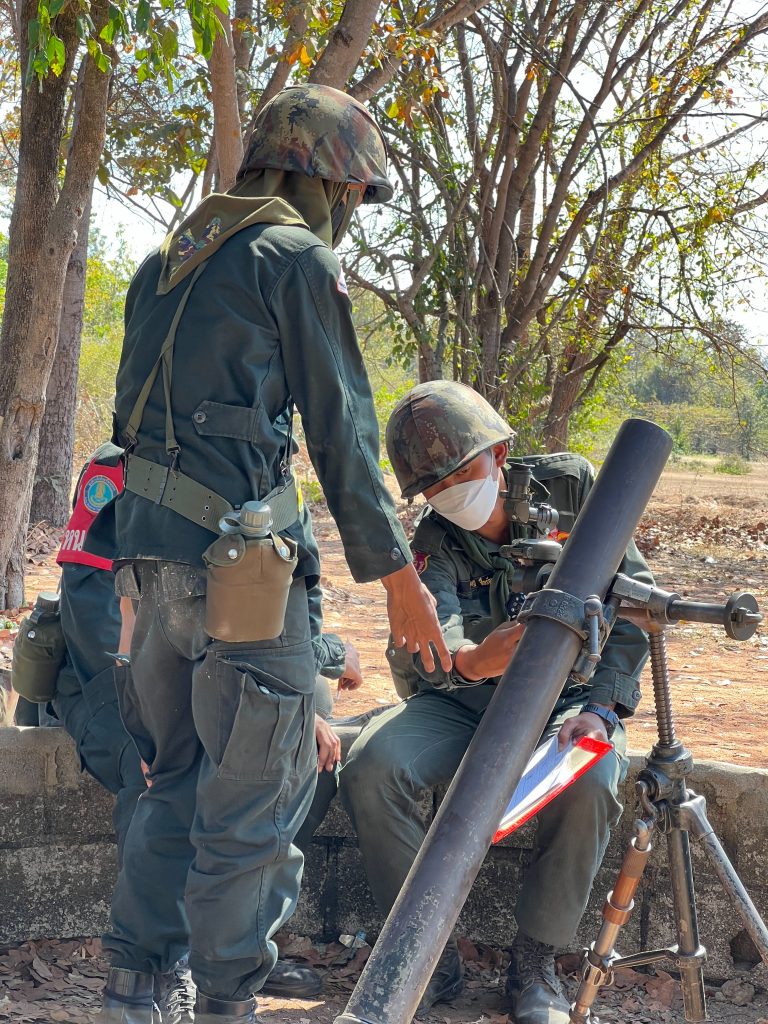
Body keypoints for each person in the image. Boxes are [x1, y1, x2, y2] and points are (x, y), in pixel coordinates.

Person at [86, 84, 449, 1024]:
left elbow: (132, 425)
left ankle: (133, 990)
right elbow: (343, 433)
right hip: (242, 581)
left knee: (175, 783)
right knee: (253, 805)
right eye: (352, 193)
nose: (351, 211)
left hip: (149, 564)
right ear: (326, 180)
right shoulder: (294, 257)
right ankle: (225, 1005)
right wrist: (399, 581)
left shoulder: (166, 259)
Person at [340, 381, 653, 1024]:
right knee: (373, 766)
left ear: (500, 454)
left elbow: (634, 606)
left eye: (462, 471)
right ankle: (420, 957)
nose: (451, 490)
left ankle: (535, 965)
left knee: (591, 778)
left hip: (570, 699)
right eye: (434, 485)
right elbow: (429, 642)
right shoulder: (434, 539)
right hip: (467, 700)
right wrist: (472, 660)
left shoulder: (572, 490)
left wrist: (601, 709)